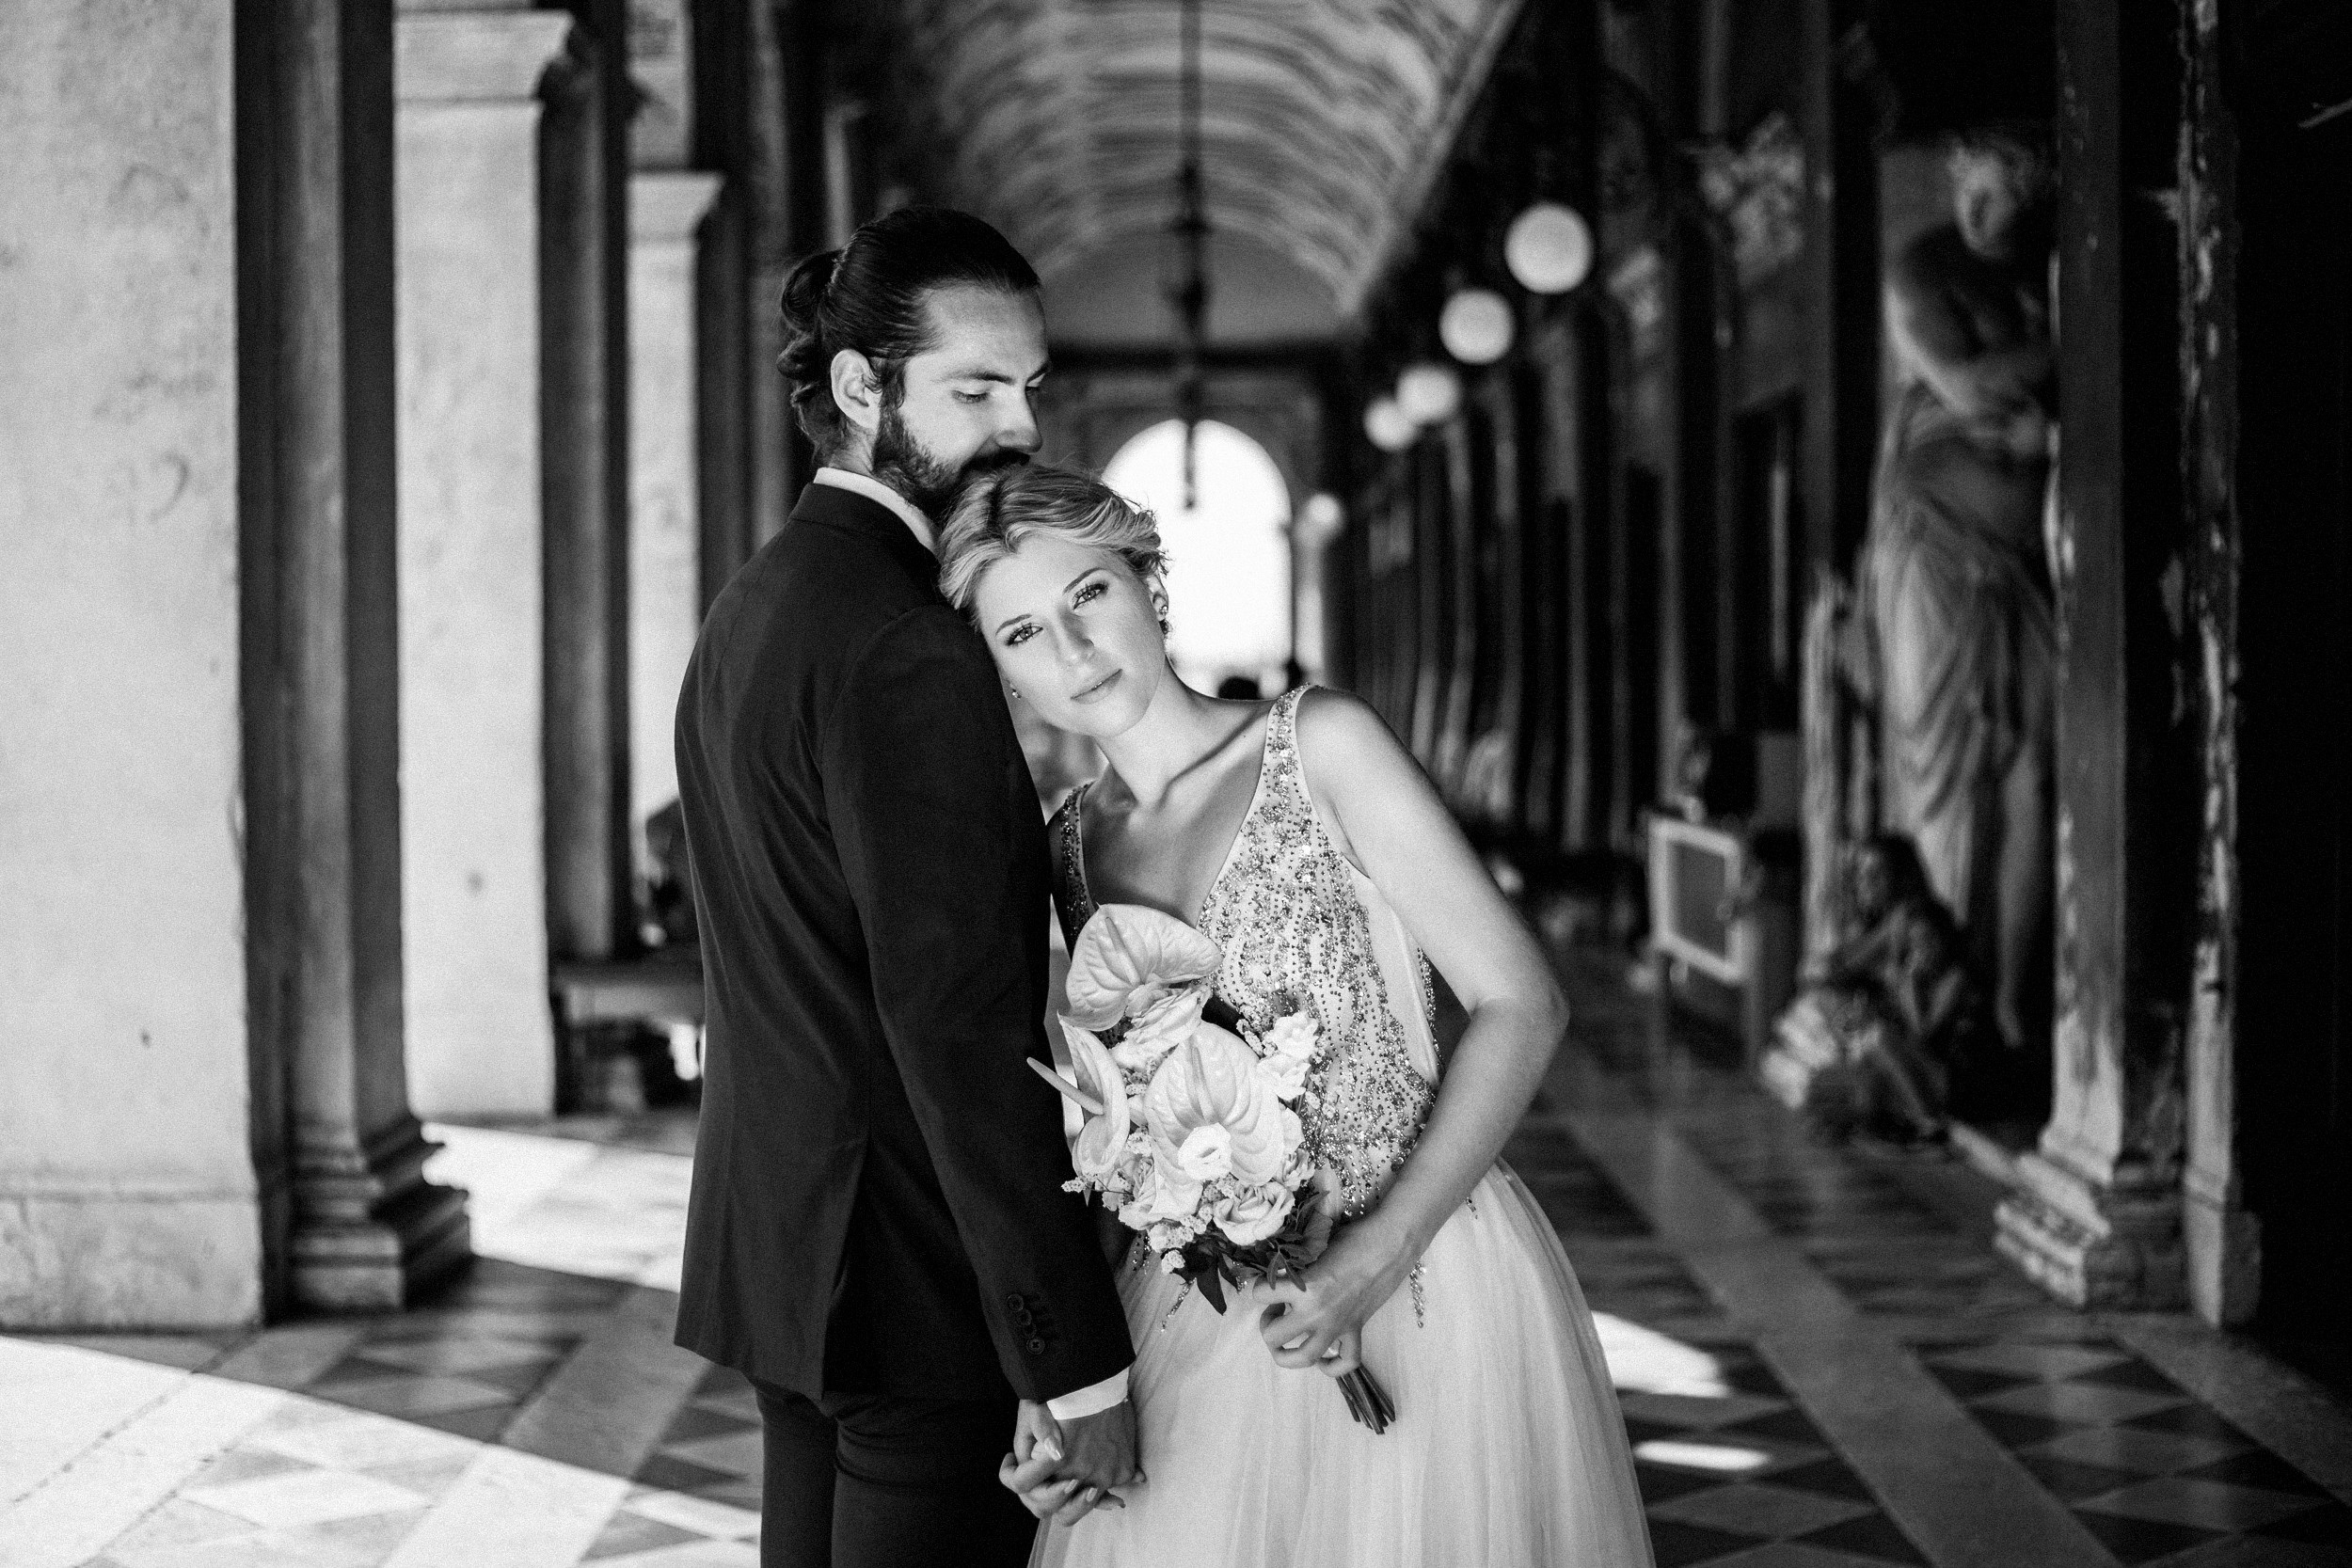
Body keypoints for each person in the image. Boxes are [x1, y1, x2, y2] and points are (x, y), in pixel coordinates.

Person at [941, 466, 1653, 1567]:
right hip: (1196, 1303)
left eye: (1088, 594)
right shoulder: (1070, 845)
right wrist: (1064, 1386)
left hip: (1421, 1279)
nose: (1074, 653)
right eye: (1025, 632)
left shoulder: (1321, 742)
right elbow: (1109, 1123)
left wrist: (1372, 1254)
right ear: (1004, 674)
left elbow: (1523, 1001)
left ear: (1149, 583)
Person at [672, 207, 1138, 1568]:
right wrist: (1077, 1359)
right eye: (976, 387)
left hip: (788, 1238)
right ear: (865, 386)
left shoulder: (757, 602)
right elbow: (958, 1022)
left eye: (1029, 388)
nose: (1017, 426)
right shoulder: (907, 642)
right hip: (913, 1276)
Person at [1856, 128, 2057, 1055]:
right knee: (1944, 771)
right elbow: (1971, 385)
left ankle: (2012, 1001)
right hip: (1933, 547)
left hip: (2030, 559)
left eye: (2001, 190)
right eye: (1969, 187)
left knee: (2033, 770)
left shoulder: (2056, 263)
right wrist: (2079, 347)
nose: (1976, 209)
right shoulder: (1922, 267)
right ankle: (1937, 997)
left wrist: (2049, 426)